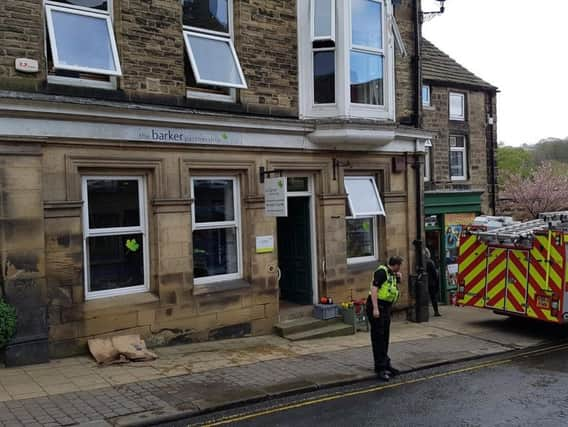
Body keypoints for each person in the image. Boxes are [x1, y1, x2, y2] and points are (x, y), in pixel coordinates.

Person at [366, 256, 403, 382]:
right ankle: (380, 368)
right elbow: (374, 289)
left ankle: (386, 364)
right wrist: (375, 308)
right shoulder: (382, 272)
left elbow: (391, 290)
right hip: (377, 307)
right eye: (400, 266)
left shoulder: (391, 274)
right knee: (378, 338)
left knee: (385, 336)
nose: (400, 269)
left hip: (386, 308)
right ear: (396, 265)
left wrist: (398, 279)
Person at [425, 248, 441, 317]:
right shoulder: (430, 262)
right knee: (433, 297)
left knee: (425, 297)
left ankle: (425, 312)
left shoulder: (421, 262)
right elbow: (434, 273)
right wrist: (436, 280)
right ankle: (436, 311)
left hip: (425, 282)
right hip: (431, 282)